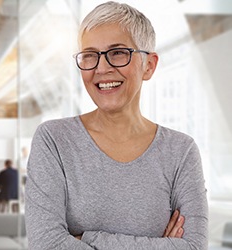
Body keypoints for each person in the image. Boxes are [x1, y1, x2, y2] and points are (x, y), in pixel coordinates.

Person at [25, 2, 208, 250]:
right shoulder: (54, 140)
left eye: (118, 53)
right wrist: (160, 246)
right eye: (90, 55)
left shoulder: (181, 151)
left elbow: (194, 247)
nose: (101, 68)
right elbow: (46, 244)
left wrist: (89, 238)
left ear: (149, 65)